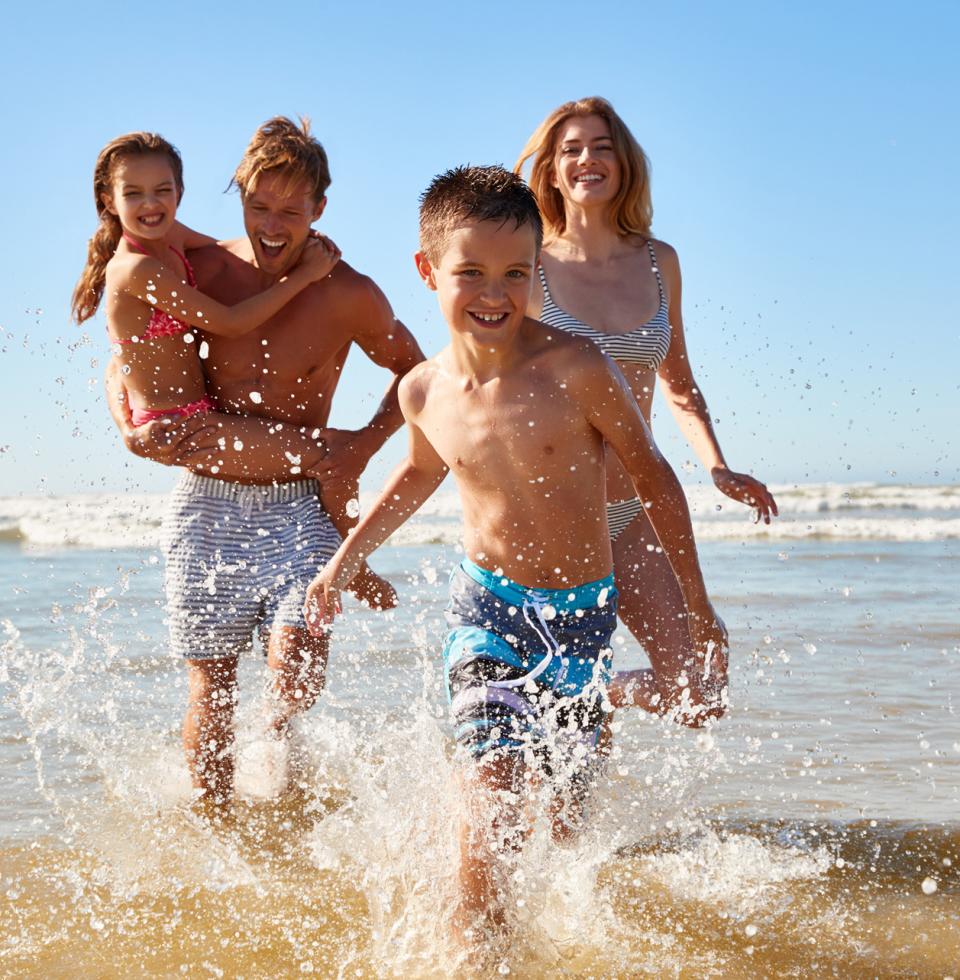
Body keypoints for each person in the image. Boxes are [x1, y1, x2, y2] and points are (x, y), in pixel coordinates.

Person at [303, 166, 724, 941]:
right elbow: (421, 471)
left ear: (538, 273)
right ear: (427, 270)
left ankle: (547, 939)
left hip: (584, 621)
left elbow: (656, 482)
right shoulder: (423, 391)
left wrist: (699, 608)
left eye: (515, 274)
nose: (493, 293)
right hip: (487, 615)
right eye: (470, 272)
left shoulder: (577, 368)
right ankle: (474, 946)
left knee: (566, 833)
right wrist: (345, 559)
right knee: (492, 807)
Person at [104, 117, 425, 807]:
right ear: (238, 197)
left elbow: (417, 375)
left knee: (293, 676)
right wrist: (128, 424)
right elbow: (125, 343)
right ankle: (219, 828)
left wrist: (360, 449)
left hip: (297, 506)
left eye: (291, 210)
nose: (273, 224)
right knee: (211, 689)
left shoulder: (349, 293)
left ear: (320, 210)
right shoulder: (203, 269)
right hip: (207, 504)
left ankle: (281, 792)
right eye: (258, 206)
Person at [515, 97, 778, 722]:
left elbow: (679, 384)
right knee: (548, 743)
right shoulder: (527, 267)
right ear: (551, 170)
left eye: (602, 147)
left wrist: (717, 466)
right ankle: (562, 704)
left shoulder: (660, 262)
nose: (587, 160)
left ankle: (590, 698)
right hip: (551, 512)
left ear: (624, 164)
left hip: (633, 509)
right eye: (571, 149)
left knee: (698, 692)